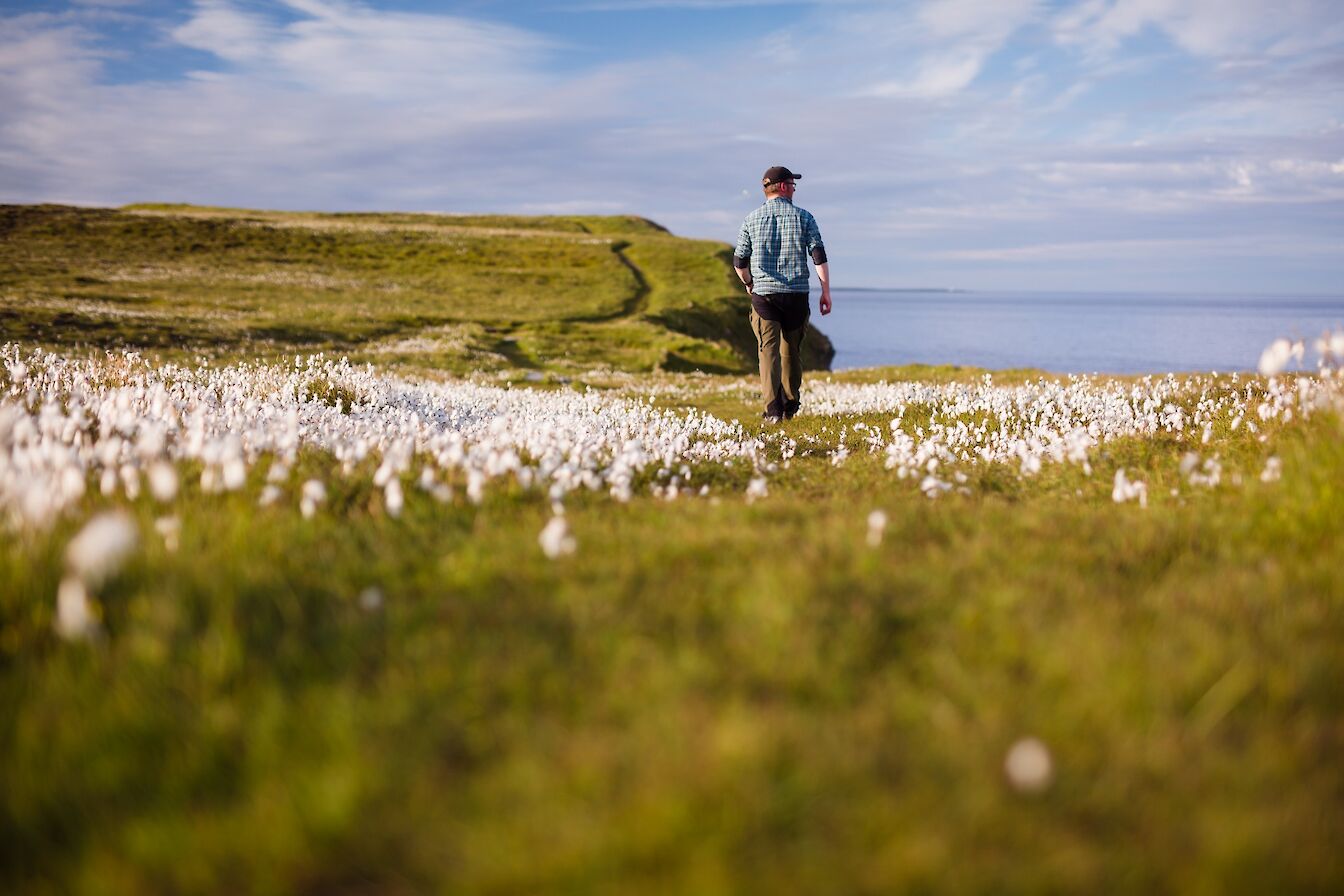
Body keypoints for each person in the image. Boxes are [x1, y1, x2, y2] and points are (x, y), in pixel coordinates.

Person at [733, 165, 831, 422]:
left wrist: (748, 283)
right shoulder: (805, 217)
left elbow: (739, 261)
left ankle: (772, 410)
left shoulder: (750, 219)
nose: (795, 189)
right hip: (796, 295)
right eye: (793, 185)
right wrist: (825, 292)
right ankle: (790, 404)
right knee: (791, 352)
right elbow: (818, 256)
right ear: (784, 187)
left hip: (764, 295)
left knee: (768, 352)